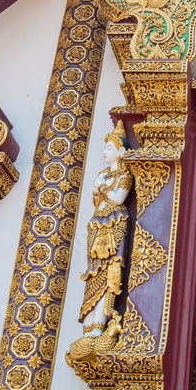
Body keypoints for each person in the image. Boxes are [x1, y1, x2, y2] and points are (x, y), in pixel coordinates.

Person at [78, 119, 133, 336]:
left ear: (120, 152)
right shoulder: (103, 175)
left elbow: (119, 199)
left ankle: (100, 324)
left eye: (109, 148)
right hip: (98, 226)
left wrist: (101, 186)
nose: (104, 152)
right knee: (94, 271)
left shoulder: (124, 176)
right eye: (104, 147)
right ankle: (89, 324)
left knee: (110, 271)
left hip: (115, 225)